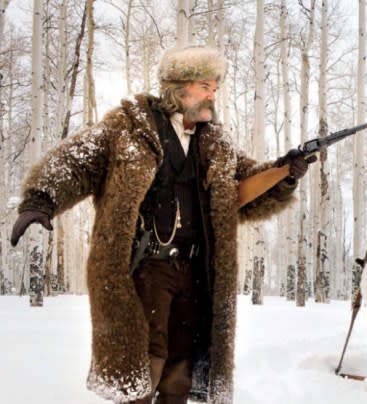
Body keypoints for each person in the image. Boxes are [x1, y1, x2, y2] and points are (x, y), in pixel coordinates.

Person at [10, 46, 308, 404]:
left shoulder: (215, 143)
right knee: (145, 362)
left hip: (195, 269)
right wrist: (40, 200)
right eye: (204, 86)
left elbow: (242, 194)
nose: (213, 95)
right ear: (177, 87)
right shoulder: (128, 128)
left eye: (215, 87)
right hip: (145, 265)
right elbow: (77, 161)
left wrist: (286, 173)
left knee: (182, 359)